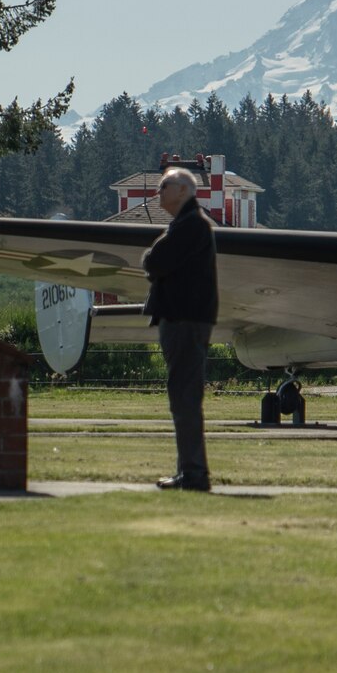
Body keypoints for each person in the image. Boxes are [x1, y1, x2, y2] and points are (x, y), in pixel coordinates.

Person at [141, 165, 219, 491]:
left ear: (183, 191)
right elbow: (158, 259)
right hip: (184, 321)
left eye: (164, 186)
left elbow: (154, 261)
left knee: (184, 397)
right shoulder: (187, 225)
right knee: (183, 396)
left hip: (185, 323)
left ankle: (194, 474)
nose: (158, 192)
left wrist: (152, 258)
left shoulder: (191, 226)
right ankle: (189, 471)